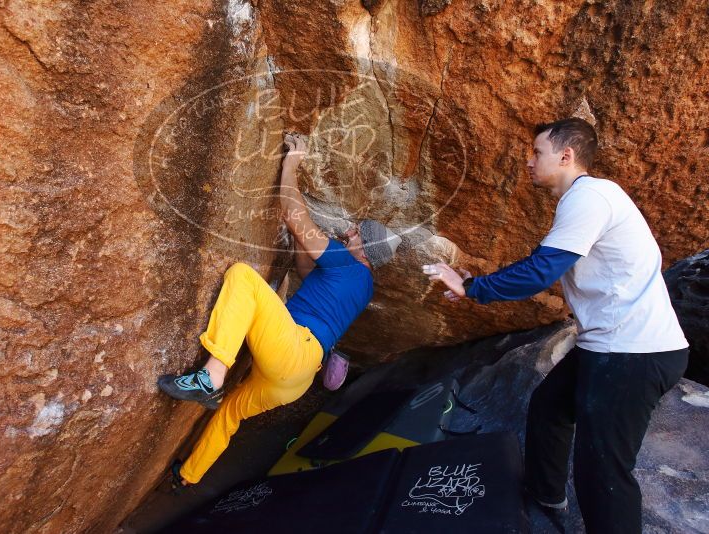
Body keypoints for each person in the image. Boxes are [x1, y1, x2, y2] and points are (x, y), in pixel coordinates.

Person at [423, 118, 688, 533]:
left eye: (536, 152)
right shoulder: (584, 200)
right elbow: (538, 262)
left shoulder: (591, 198)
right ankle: (545, 496)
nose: (528, 161)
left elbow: (539, 273)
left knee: (602, 472)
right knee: (550, 406)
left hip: (633, 353)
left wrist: (473, 288)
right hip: (611, 345)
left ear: (566, 156)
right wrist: (475, 285)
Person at [158, 133, 401, 487]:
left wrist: (292, 163)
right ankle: (187, 477)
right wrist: (303, 221)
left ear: (367, 251)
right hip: (295, 381)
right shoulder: (362, 286)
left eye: (358, 233)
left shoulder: (346, 264)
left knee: (242, 276)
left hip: (292, 350)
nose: (349, 231)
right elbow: (307, 271)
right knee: (229, 414)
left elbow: (291, 215)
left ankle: (211, 376)